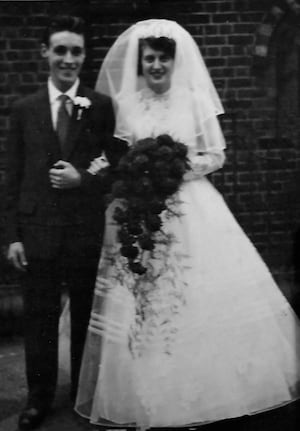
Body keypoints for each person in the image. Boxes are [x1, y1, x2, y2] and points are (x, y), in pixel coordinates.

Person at [75, 19, 300, 430]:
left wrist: (176, 170)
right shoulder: (128, 101)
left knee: (194, 290)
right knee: (142, 292)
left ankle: (206, 391)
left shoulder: (193, 100)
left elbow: (215, 156)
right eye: (150, 59)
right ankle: (146, 388)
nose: (156, 65)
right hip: (142, 209)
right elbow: (118, 152)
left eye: (163, 58)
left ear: (173, 61)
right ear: (141, 63)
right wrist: (137, 175)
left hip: (189, 206)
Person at [4, 15, 115, 431]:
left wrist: (82, 178)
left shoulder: (100, 106)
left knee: (87, 315)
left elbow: (112, 164)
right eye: (61, 50)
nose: (68, 59)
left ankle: (83, 395)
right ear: (46, 53)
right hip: (38, 233)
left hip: (84, 229)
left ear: (84, 56)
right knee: (41, 317)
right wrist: (12, 236)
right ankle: (38, 399)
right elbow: (12, 176)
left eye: (77, 52)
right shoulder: (24, 109)